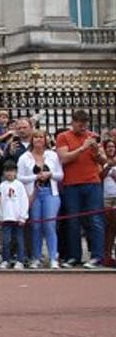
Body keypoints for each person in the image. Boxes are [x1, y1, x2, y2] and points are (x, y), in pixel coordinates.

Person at [54, 110, 105, 267]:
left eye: (85, 124)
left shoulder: (93, 137)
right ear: (73, 122)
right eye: (80, 124)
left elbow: (102, 160)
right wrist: (82, 148)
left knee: (95, 220)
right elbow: (64, 158)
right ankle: (74, 256)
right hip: (71, 184)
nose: (83, 127)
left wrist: (96, 151)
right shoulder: (63, 137)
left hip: (92, 182)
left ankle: (97, 256)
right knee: (72, 220)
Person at [19, 131, 64, 268]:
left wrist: (50, 174)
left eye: (41, 137)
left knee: (49, 225)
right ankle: (36, 257)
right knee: (36, 226)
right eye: (36, 137)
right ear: (32, 140)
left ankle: (53, 257)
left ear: (45, 140)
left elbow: (60, 175)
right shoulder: (24, 157)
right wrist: (35, 177)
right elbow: (20, 177)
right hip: (33, 194)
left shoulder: (52, 155)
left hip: (50, 193)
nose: (38, 140)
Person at [0, 163, 31, 268]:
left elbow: (24, 201)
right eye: (7, 171)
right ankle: (5, 259)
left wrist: (23, 216)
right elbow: (0, 202)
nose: (9, 173)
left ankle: (20, 260)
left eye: (12, 171)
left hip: (17, 218)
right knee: (6, 240)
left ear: (16, 172)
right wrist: (1, 216)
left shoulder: (19, 185)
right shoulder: (2, 186)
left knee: (19, 240)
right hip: (6, 218)